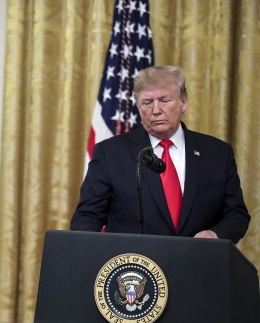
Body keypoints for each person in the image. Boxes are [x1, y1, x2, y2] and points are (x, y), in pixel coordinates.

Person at [70, 65, 250, 244]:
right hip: (135, 267)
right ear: (138, 107)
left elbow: (236, 214)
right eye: (147, 103)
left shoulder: (217, 153)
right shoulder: (110, 153)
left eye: (164, 100)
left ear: (183, 102)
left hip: (198, 265)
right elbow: (88, 216)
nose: (155, 110)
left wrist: (215, 235)